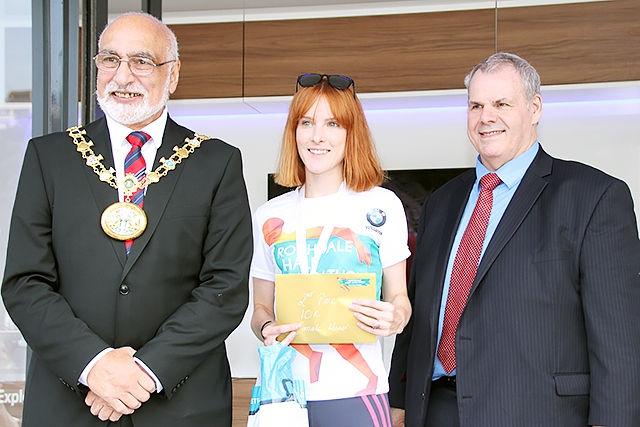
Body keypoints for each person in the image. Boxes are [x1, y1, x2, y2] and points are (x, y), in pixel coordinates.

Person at [1, 12, 252, 427]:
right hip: (71, 402)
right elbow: (25, 283)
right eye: (109, 60)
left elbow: (224, 286)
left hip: (180, 403)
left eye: (141, 61)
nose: (122, 76)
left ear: (171, 75)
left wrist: (142, 373)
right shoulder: (50, 158)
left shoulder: (216, 161)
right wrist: (94, 366)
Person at [388, 51, 640, 427]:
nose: (485, 117)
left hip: (538, 412)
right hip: (436, 411)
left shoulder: (594, 196)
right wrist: (398, 399)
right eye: (476, 105)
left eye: (501, 103)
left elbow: (619, 337)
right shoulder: (442, 202)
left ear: (535, 108)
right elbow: (420, 311)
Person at [250, 73, 412, 426]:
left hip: (356, 394)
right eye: (306, 122)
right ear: (294, 132)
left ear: (351, 134)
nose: (317, 136)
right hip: (282, 393)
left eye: (332, 124)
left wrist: (394, 318)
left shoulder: (382, 206)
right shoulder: (269, 216)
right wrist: (267, 328)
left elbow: (400, 299)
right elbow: (260, 307)